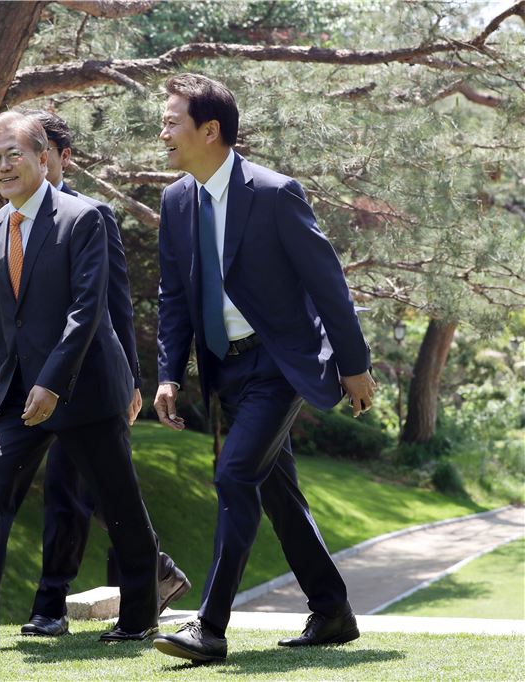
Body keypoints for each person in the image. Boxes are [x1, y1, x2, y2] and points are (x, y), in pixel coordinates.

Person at [0, 112, 160, 650]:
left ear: (43, 159)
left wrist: (53, 382)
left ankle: (140, 616)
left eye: (14, 155)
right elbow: (6, 317)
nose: (3, 166)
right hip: (19, 391)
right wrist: (0, 374)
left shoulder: (84, 217)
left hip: (84, 388)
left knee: (118, 502)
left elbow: (87, 310)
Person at [149, 74, 375, 663]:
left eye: (171, 122)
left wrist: (354, 366)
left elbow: (327, 283)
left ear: (210, 130)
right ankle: (332, 611)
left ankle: (210, 626)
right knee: (279, 495)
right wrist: (169, 374)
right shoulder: (176, 201)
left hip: (279, 364)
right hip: (226, 369)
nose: (162, 132)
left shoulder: (275, 193)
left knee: (234, 477)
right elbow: (174, 297)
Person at [15, 109, 190, 639]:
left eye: (43, 152)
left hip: (87, 381)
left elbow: (114, 303)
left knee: (75, 489)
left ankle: (51, 606)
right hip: (34, 380)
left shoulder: (93, 215)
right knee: (87, 489)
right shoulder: (13, 218)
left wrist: (131, 379)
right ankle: (158, 573)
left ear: (62, 158)